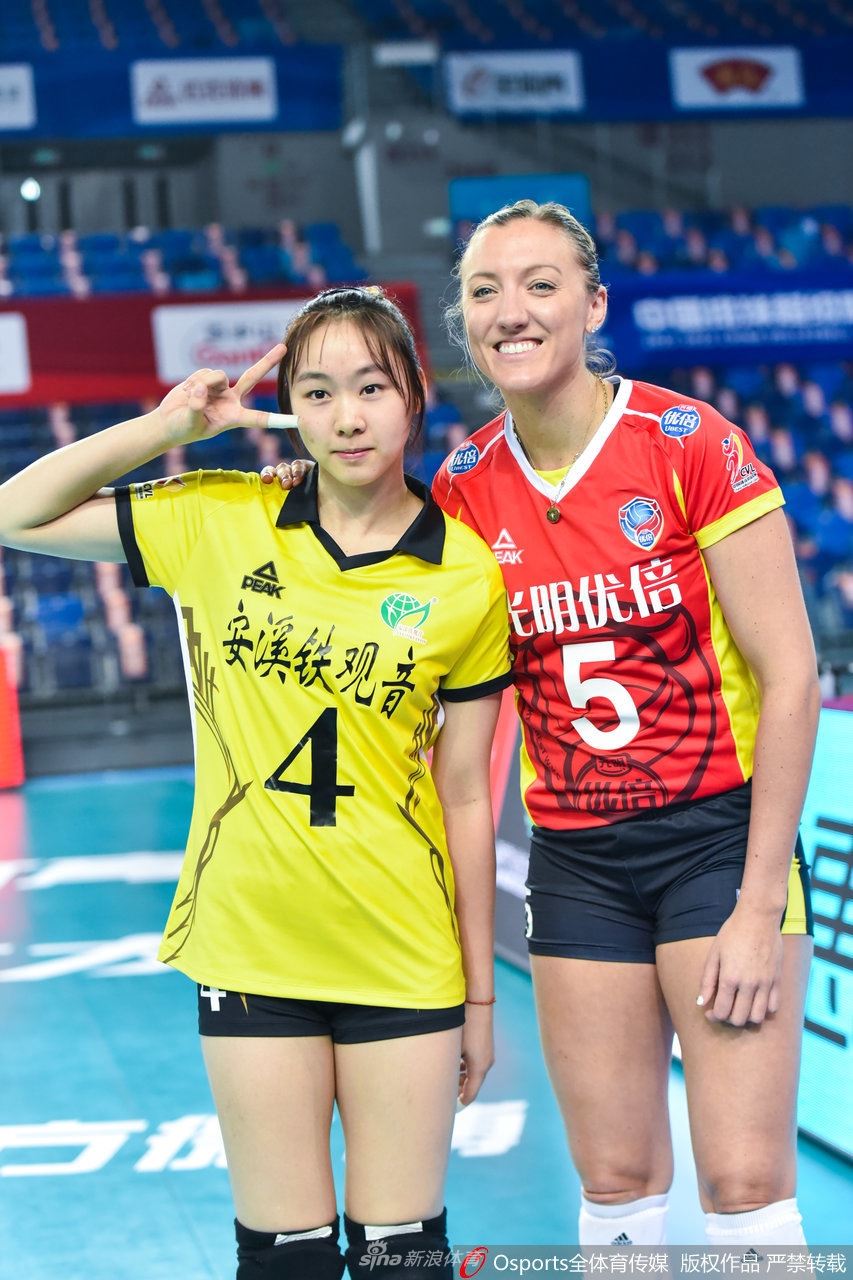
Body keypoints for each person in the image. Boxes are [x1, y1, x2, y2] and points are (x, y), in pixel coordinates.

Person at [268, 203, 820, 1248]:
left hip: (715, 839)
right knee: (615, 1177)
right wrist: (286, 489)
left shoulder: (689, 443)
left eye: (539, 284)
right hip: (576, 860)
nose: (510, 310)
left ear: (593, 304)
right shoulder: (466, 488)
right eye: (484, 291)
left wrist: (757, 905)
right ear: (463, 322)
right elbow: (364, 535)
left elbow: (789, 679)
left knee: (744, 1180)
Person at [0, 286, 512, 1279]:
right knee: (285, 1260)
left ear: (414, 395)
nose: (346, 416)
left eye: (371, 387)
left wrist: (481, 1000)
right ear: (288, 411)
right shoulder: (221, 517)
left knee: (404, 1256)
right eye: (316, 392)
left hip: (403, 949)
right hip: (251, 942)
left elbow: (464, 793)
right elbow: (14, 512)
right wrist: (169, 429)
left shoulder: (465, 575)